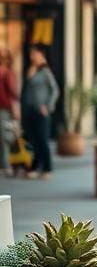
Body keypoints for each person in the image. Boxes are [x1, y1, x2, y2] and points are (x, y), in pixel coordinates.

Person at [22, 45, 58, 180]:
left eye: (35, 54)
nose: (32, 57)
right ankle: (35, 167)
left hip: (41, 111)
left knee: (43, 140)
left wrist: (48, 106)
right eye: (31, 54)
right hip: (30, 110)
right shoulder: (32, 70)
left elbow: (55, 91)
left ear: (41, 55)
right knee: (34, 140)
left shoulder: (46, 72)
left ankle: (48, 168)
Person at [0, 48, 19, 176]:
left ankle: (7, 165)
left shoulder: (9, 73)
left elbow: (13, 93)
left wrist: (16, 109)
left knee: (4, 136)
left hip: (4, 108)